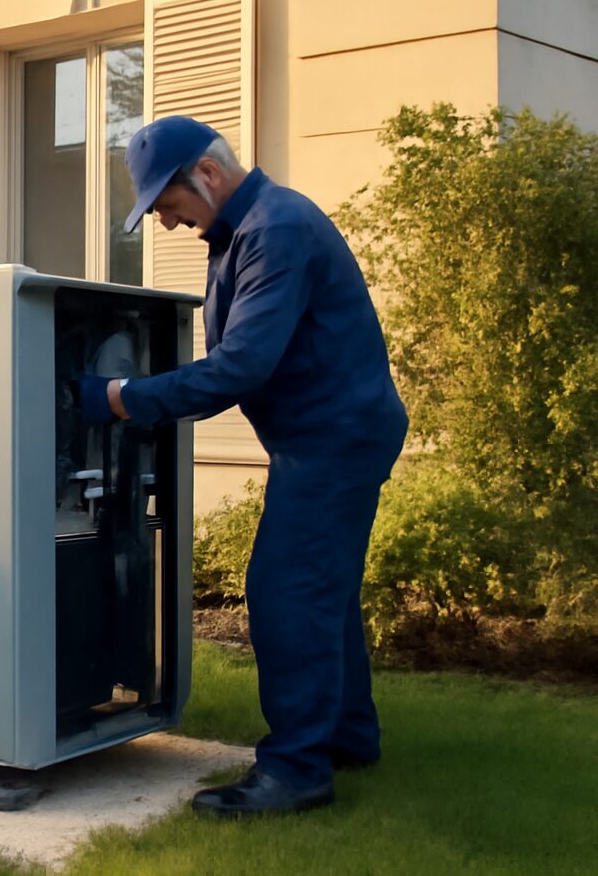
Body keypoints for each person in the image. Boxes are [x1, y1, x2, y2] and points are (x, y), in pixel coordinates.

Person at [77, 116, 408, 817]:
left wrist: (119, 398)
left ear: (209, 175)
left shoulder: (273, 230)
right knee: (327, 588)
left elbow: (241, 366)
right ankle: (346, 735)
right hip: (330, 435)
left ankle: (295, 770)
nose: (168, 224)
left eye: (168, 206)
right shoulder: (242, 232)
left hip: (334, 438)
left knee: (286, 590)